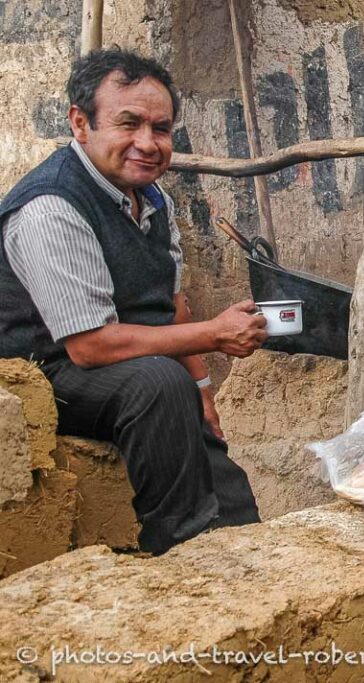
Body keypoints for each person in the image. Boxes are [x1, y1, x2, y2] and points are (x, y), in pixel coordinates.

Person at [0, 49, 266, 555]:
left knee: (183, 398)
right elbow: (90, 346)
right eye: (129, 124)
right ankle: (180, 545)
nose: (148, 143)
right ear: (81, 123)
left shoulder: (151, 197)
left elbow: (171, 304)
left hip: (126, 362)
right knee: (159, 382)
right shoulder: (51, 206)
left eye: (161, 129)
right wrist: (214, 335)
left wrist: (204, 388)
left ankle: (243, 540)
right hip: (47, 369)